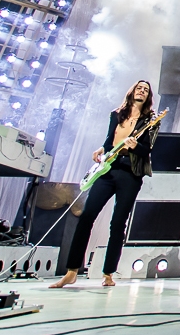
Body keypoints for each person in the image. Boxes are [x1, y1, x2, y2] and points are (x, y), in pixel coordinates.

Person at [51, 80, 160, 288]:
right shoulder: (116, 114)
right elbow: (110, 139)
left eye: (146, 90)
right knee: (87, 216)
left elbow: (147, 151)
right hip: (108, 169)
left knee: (118, 223)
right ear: (132, 91)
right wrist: (101, 148)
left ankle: (108, 273)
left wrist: (135, 145)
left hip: (130, 173)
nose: (142, 91)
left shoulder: (150, 120)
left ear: (148, 96)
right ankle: (72, 270)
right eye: (139, 88)